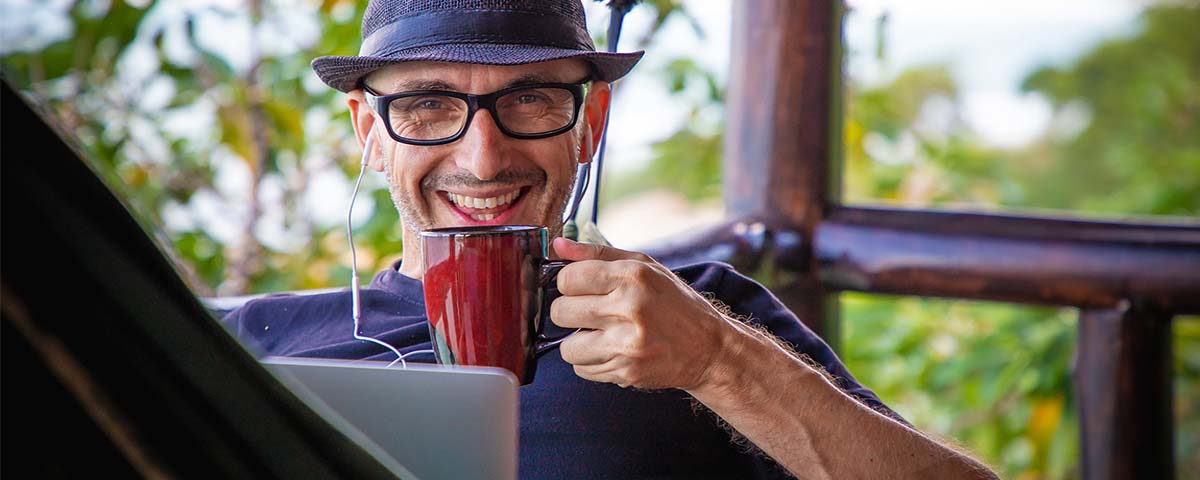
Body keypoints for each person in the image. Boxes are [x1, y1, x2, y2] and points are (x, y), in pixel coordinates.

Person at [224, 0, 998, 478]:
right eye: (427, 106)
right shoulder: (253, 341)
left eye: (529, 101)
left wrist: (719, 362)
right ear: (371, 131)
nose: (483, 158)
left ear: (589, 124)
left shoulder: (701, 316)